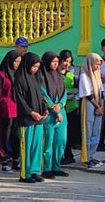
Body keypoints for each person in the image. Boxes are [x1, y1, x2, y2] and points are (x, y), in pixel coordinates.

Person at [14, 52, 48, 183]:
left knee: (37, 146)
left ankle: (35, 171)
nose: (35, 69)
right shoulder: (19, 79)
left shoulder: (36, 78)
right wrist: (31, 112)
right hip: (26, 120)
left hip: (38, 119)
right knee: (26, 147)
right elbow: (20, 100)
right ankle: (25, 174)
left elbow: (41, 96)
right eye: (33, 66)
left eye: (37, 66)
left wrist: (44, 109)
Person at [40, 51, 68, 179]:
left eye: (57, 62)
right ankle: (47, 168)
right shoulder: (41, 76)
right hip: (50, 114)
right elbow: (43, 95)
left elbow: (64, 93)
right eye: (53, 62)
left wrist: (60, 106)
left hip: (61, 112)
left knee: (60, 141)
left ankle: (56, 166)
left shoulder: (58, 76)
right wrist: (54, 109)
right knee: (48, 142)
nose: (56, 64)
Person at [0, 50, 22, 173]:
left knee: (16, 135)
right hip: (6, 109)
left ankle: (16, 159)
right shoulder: (1, 75)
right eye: (15, 61)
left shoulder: (19, 74)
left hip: (18, 108)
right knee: (5, 135)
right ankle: (5, 160)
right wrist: (5, 104)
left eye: (19, 62)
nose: (17, 64)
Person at [79, 53, 104, 168]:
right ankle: (86, 157)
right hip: (89, 103)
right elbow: (87, 93)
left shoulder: (97, 74)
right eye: (96, 64)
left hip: (98, 103)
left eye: (99, 64)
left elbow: (101, 91)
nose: (97, 67)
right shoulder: (84, 74)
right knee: (88, 129)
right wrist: (97, 106)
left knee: (96, 130)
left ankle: (92, 155)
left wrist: (101, 106)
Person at [59, 50, 80, 165]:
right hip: (59, 108)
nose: (67, 64)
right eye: (65, 61)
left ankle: (68, 154)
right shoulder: (55, 75)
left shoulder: (72, 75)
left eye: (69, 62)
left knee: (69, 133)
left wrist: (70, 93)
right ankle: (59, 155)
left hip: (71, 107)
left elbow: (78, 89)